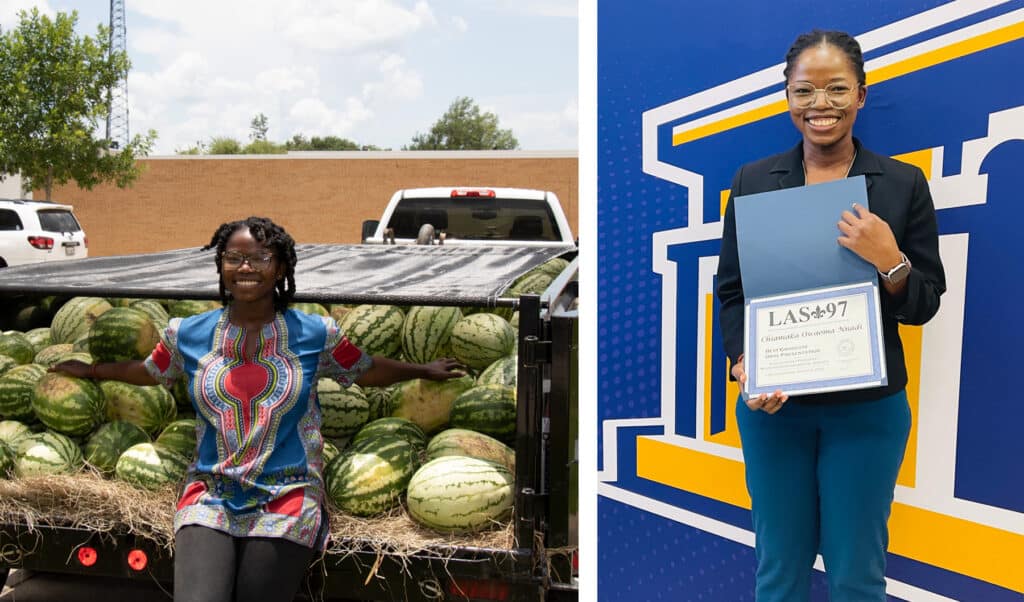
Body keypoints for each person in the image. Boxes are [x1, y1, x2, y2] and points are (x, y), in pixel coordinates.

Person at [52, 216, 465, 602]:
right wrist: (92, 370)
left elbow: (364, 368)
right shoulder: (187, 332)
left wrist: (422, 369)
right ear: (221, 266)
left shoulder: (315, 332)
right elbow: (149, 371)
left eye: (260, 258)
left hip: (287, 492)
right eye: (233, 257)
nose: (245, 267)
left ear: (281, 268)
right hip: (211, 490)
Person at [716, 30, 946, 602]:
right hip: (777, 411)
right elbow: (733, 291)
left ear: (861, 96)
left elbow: (924, 303)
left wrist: (890, 260)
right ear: (787, 98)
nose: (821, 104)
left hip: (866, 415)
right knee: (780, 572)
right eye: (805, 91)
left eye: (837, 89)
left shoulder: (901, 184)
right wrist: (747, 362)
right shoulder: (751, 181)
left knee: (856, 576)